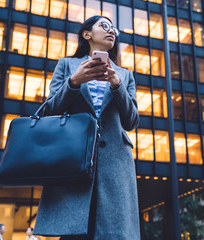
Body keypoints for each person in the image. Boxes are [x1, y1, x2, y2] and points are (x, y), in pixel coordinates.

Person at [33, 15, 140, 240]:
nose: (112, 31)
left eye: (114, 29)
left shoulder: (125, 75)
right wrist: (73, 82)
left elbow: (131, 121)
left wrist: (117, 85)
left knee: (112, 231)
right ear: (87, 34)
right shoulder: (67, 65)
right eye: (105, 25)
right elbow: (49, 111)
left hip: (116, 162)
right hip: (74, 155)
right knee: (74, 231)